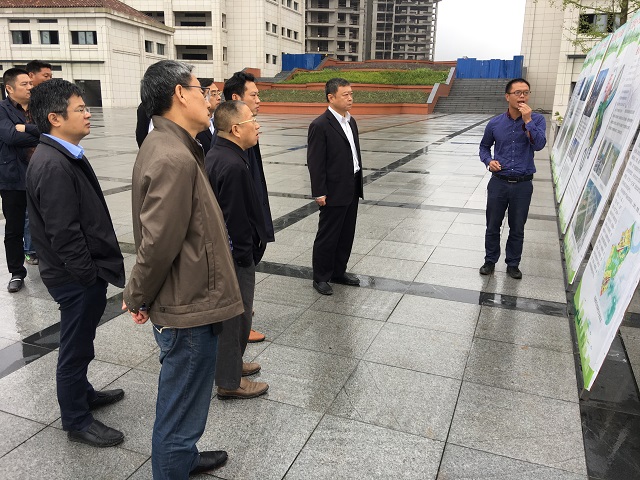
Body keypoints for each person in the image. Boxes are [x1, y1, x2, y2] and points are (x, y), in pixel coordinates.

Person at [122, 60, 243, 480]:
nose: (209, 100)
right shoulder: (173, 156)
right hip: (187, 305)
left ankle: (184, 458)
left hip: (188, 294)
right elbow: (158, 242)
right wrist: (137, 295)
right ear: (179, 94)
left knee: (186, 401)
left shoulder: (172, 144)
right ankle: (174, 464)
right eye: (201, 90)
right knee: (180, 409)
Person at [26, 79, 126, 447]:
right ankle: (76, 420)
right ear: (55, 118)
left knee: (81, 341)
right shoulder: (53, 164)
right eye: (80, 109)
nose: (88, 114)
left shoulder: (61, 154)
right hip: (75, 278)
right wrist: (88, 277)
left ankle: (83, 394)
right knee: (75, 347)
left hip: (78, 274)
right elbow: (64, 234)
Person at [205, 101, 270, 400]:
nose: (257, 125)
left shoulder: (224, 154)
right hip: (234, 258)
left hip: (231, 254)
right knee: (235, 318)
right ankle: (230, 382)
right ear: (235, 129)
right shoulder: (230, 164)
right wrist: (246, 257)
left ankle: (232, 364)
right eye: (251, 120)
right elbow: (235, 219)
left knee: (236, 317)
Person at [223, 71, 274, 342]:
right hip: (240, 229)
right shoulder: (230, 138)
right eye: (253, 95)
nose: (259, 99)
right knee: (239, 275)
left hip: (254, 216)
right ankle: (240, 329)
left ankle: (243, 320)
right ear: (236, 97)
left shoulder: (249, 130)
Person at [479, 78, 547, 279]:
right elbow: (484, 147)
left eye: (526, 92)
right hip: (498, 183)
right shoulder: (495, 123)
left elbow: (539, 145)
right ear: (507, 96)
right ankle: (490, 261)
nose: (522, 96)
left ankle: (513, 264)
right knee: (493, 225)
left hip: (522, 184)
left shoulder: (537, 120)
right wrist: (489, 161)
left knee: (517, 227)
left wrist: (528, 121)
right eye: (518, 93)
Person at [307, 77, 363, 296]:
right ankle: (321, 277)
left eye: (351, 94)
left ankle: (339, 272)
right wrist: (319, 191)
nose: (350, 98)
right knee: (328, 235)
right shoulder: (320, 125)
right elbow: (315, 161)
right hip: (332, 190)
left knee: (346, 233)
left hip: (352, 185)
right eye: (345, 94)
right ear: (331, 97)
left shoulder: (351, 121)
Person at [0, 68, 40, 293]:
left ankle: (54, 263)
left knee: (49, 222)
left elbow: (52, 130)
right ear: (9, 88)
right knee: (14, 229)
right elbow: (10, 137)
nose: (29, 87)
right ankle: (16, 272)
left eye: (30, 83)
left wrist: (26, 128)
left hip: (42, 174)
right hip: (13, 178)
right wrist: (38, 135)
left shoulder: (37, 106)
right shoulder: (2, 109)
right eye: (24, 84)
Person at [23, 60, 53, 266]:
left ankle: (45, 247)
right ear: (31, 75)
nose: (49, 79)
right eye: (46, 75)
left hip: (42, 159)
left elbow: (46, 128)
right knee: (29, 211)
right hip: (24, 165)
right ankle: (30, 249)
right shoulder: (16, 106)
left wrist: (25, 129)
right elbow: (10, 135)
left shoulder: (44, 99)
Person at [195, 78, 221, 152]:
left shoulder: (219, 121)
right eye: (214, 94)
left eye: (218, 93)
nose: (219, 98)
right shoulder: (196, 126)